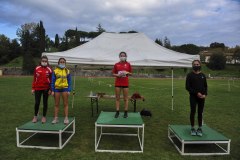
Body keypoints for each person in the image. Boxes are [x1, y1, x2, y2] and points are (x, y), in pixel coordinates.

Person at [186, 60, 208, 136]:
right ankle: (192, 127)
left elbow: (205, 86)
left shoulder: (203, 75)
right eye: (194, 64)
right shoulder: (189, 75)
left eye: (197, 64)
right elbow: (187, 87)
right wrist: (196, 93)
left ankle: (199, 128)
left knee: (200, 112)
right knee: (193, 111)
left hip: (202, 97)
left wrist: (205, 94)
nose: (196, 65)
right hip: (193, 97)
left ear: (200, 65)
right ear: (192, 65)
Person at [32, 56, 52, 123]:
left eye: (45, 61)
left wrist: (50, 89)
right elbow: (34, 79)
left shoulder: (49, 69)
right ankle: (35, 116)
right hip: (37, 88)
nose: (44, 62)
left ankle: (44, 116)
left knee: (45, 103)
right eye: (43, 61)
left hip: (46, 88)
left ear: (47, 62)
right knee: (37, 103)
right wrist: (33, 88)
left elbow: (51, 80)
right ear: (40, 61)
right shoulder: (37, 68)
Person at [51, 58, 71, 124]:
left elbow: (69, 81)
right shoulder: (55, 71)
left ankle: (66, 118)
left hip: (65, 88)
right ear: (58, 63)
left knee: (65, 104)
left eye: (63, 62)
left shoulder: (67, 71)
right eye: (61, 62)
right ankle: (56, 118)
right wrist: (53, 90)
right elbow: (52, 81)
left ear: (65, 63)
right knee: (56, 104)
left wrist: (69, 90)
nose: (62, 63)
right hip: (57, 89)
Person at [112, 52, 132, 118]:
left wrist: (127, 73)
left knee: (125, 99)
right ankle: (117, 112)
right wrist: (117, 75)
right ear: (119, 57)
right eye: (121, 56)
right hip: (117, 83)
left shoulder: (128, 64)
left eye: (124, 56)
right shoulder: (116, 64)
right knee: (117, 98)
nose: (122, 57)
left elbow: (131, 73)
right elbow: (113, 73)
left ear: (126, 56)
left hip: (125, 83)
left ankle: (125, 112)